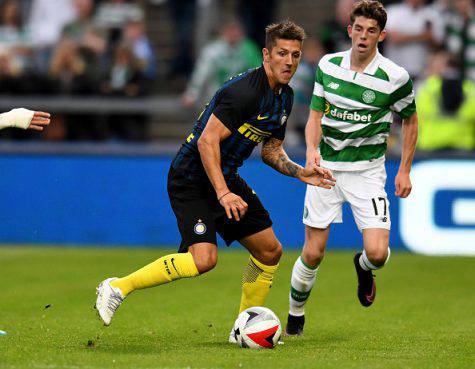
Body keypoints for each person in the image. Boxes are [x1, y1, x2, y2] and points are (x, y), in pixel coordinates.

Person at [94, 21, 336, 339]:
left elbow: (271, 150)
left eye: (295, 54)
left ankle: (243, 327)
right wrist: (223, 194)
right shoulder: (245, 92)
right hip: (192, 176)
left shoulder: (284, 98)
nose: (289, 61)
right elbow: (207, 142)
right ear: (266, 54)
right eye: (282, 53)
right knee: (204, 259)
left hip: (224, 176)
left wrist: (300, 172)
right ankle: (117, 287)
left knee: (269, 251)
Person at [284, 0, 419, 336]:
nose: (363, 36)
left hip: (367, 172)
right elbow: (315, 116)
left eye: (371, 31)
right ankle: (295, 317)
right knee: (313, 253)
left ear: (381, 35)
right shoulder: (328, 66)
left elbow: (411, 121)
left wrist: (404, 169)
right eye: (358, 29)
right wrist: (312, 150)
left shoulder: (394, 77)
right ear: (349, 30)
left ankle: (363, 267)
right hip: (326, 169)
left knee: (377, 253)